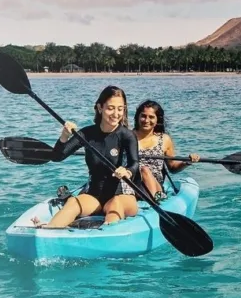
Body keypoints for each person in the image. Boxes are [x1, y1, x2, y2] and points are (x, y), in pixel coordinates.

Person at [31, 85, 140, 228]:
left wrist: (127, 171)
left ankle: (106, 235)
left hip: (121, 196)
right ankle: (49, 229)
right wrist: (64, 136)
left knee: (115, 205)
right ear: (100, 108)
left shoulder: (127, 135)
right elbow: (57, 157)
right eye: (110, 108)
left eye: (120, 109)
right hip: (94, 197)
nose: (116, 113)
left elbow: (135, 163)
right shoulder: (87, 134)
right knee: (73, 202)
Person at [133, 100, 199, 200]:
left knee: (144, 170)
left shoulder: (164, 139)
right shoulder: (127, 136)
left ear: (157, 120)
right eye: (143, 116)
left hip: (155, 188)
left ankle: (155, 202)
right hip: (131, 183)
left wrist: (187, 162)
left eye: (151, 117)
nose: (146, 120)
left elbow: (172, 167)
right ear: (138, 117)